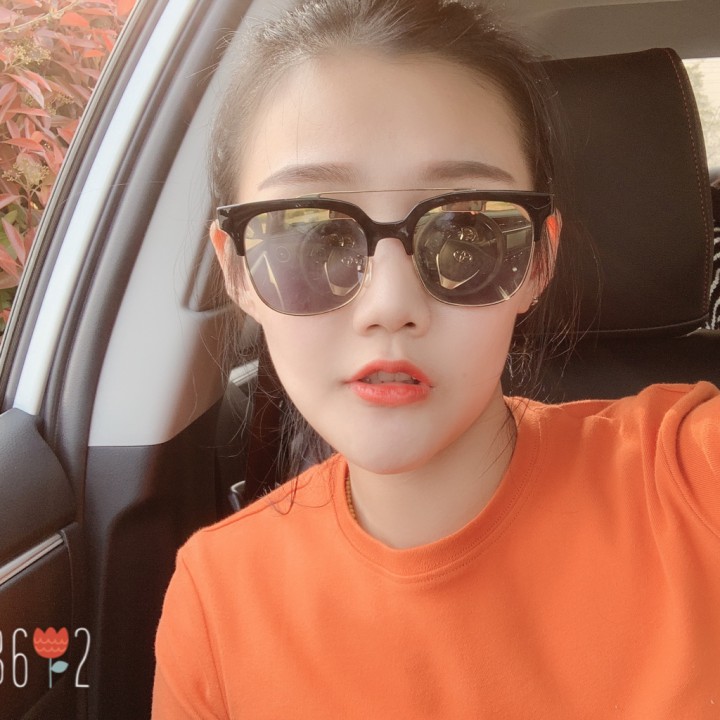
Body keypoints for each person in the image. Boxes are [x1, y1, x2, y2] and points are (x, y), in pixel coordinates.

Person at [152, 0, 720, 717]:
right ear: (237, 273)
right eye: (315, 237)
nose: (391, 304)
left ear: (537, 262)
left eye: (465, 233)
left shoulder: (689, 480)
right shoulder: (217, 597)